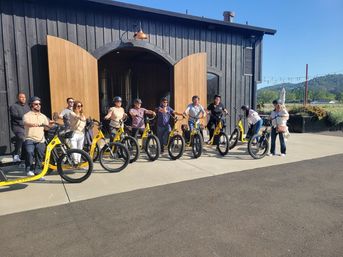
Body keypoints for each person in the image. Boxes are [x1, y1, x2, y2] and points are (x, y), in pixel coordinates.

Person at [23, 96, 54, 179]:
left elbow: (46, 128)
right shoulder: (27, 115)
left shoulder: (43, 116)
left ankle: (38, 173)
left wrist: (50, 125)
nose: (38, 105)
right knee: (29, 153)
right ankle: (29, 169)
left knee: (40, 157)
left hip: (40, 140)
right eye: (36, 104)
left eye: (39, 104)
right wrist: (32, 124)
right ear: (31, 105)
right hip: (30, 138)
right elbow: (25, 123)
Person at [9, 92, 30, 162]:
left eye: (24, 97)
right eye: (21, 97)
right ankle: (16, 154)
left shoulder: (27, 107)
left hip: (26, 126)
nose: (23, 98)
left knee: (28, 140)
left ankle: (24, 156)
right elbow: (15, 116)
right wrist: (25, 117)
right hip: (17, 126)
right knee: (21, 137)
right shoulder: (13, 106)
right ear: (18, 98)